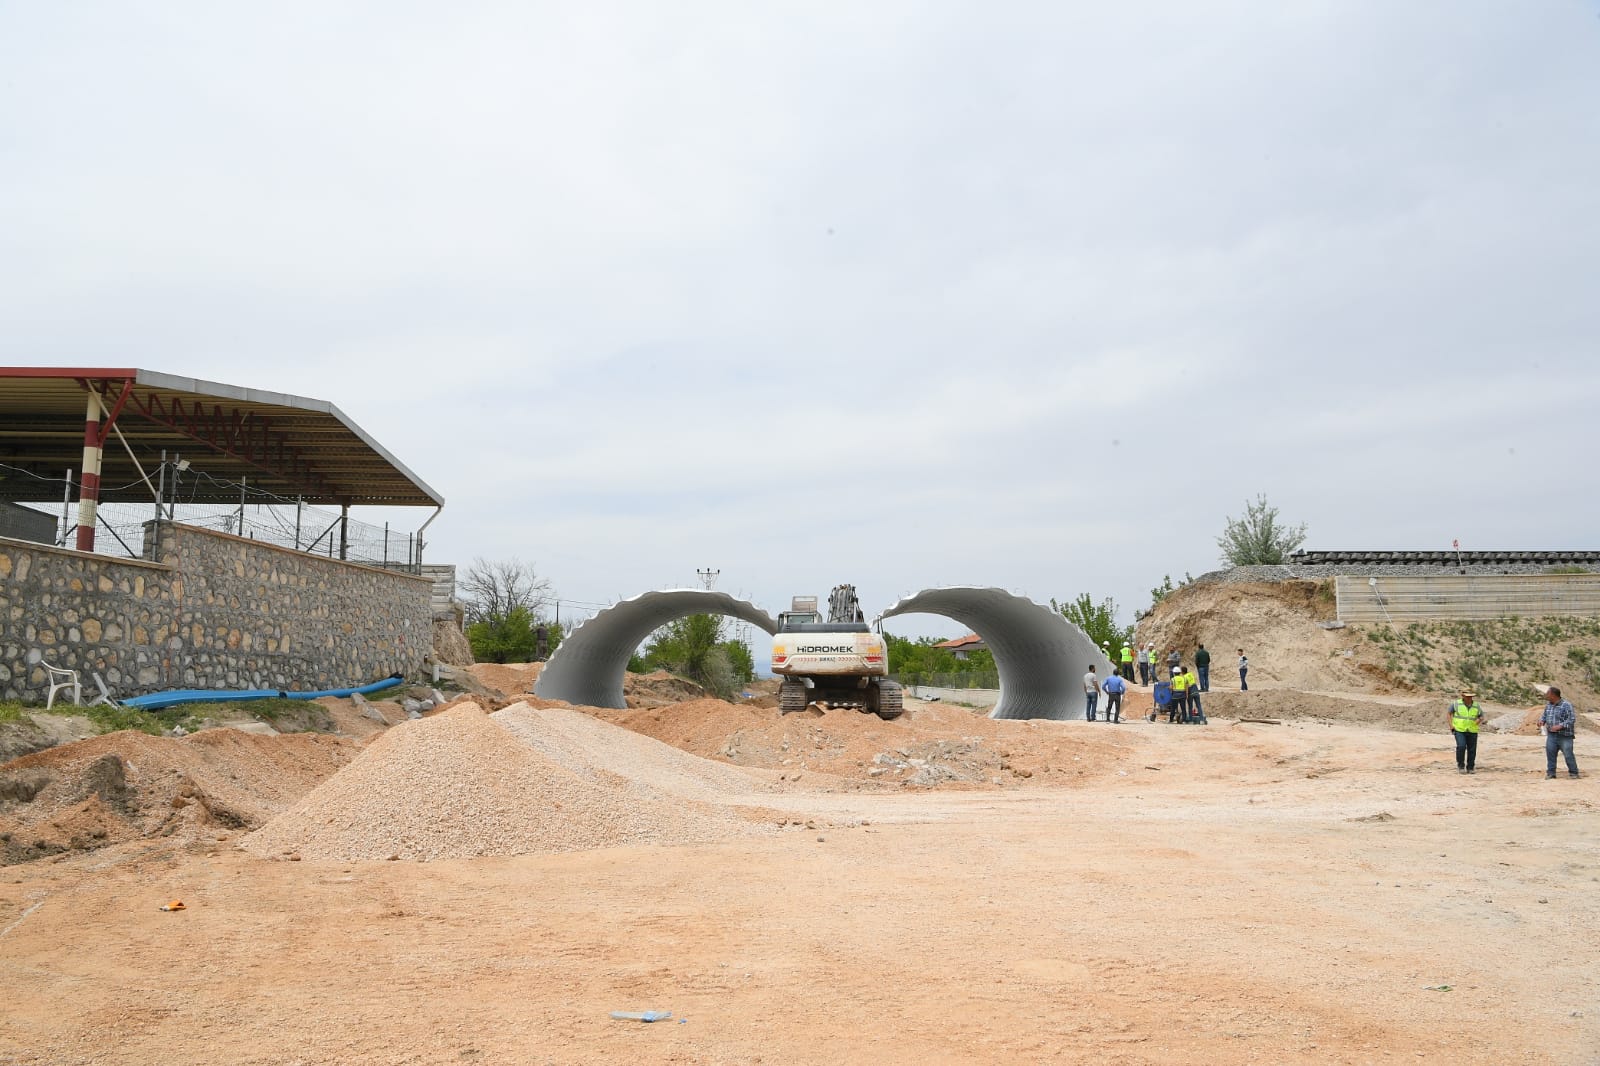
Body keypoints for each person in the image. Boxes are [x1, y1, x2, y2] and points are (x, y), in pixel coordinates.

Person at [1541, 684, 1580, 779]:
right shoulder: (1548, 705)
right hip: (1551, 735)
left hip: (1565, 736)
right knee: (1550, 754)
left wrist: (1560, 726)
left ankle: (1574, 773)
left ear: (1554, 695)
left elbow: (1571, 719)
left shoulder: (1566, 705)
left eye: (1548, 694)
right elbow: (1544, 715)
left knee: (1568, 754)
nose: (1546, 695)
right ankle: (1551, 773)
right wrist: (1542, 720)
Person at [1448, 690, 1483, 774]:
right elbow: (1449, 713)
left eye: (1470, 696)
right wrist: (1451, 726)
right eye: (1467, 696)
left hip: (1472, 730)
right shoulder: (1456, 704)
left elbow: (1481, 716)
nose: (1469, 698)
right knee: (1461, 746)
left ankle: (1470, 767)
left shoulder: (1476, 705)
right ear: (1463, 696)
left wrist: (1479, 720)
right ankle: (1461, 766)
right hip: (1459, 729)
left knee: (1472, 750)